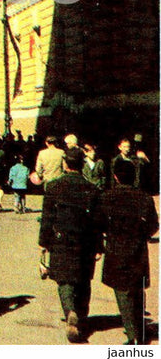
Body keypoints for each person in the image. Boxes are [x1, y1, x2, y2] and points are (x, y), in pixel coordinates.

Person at [38, 147, 102, 343]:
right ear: (82, 164)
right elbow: (97, 221)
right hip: (86, 241)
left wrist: (43, 245)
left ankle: (70, 311)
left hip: (60, 240)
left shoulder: (54, 187)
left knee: (64, 280)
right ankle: (81, 316)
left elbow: (47, 219)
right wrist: (99, 246)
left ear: (65, 164)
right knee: (83, 280)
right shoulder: (92, 188)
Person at [97, 158, 159, 345]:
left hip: (116, 249)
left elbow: (99, 224)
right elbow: (153, 225)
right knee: (137, 290)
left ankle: (133, 335)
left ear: (115, 177)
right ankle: (138, 330)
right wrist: (142, 235)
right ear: (133, 177)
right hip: (138, 250)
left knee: (122, 292)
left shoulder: (107, 197)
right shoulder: (144, 198)